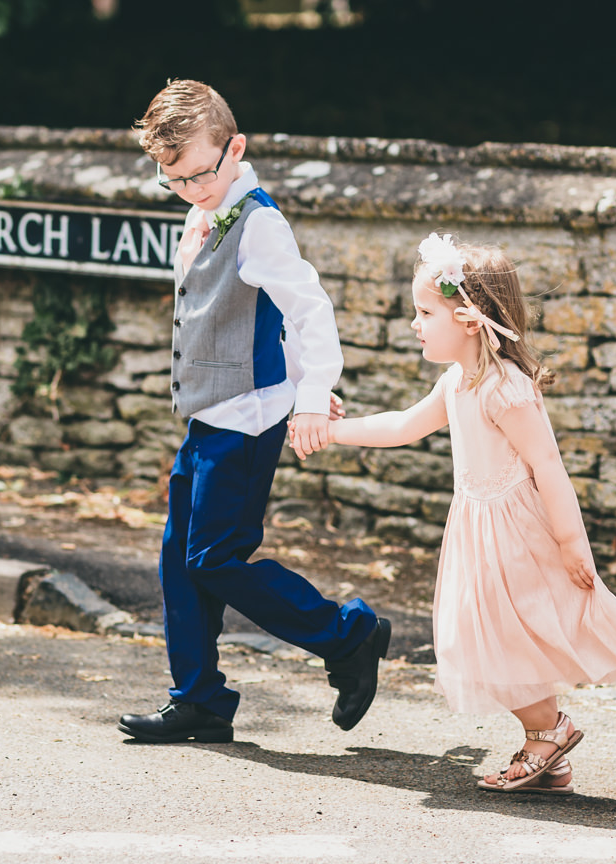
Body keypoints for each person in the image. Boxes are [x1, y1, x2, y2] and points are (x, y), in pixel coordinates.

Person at [318, 232, 616, 793]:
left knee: (502, 640)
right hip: (475, 527)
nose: (415, 323)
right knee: (482, 638)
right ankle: (548, 751)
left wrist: (573, 543)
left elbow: (548, 466)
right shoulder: (459, 380)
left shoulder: (505, 389)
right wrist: (329, 432)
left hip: (514, 533)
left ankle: (548, 733)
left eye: (425, 312)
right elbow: (403, 426)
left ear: (470, 318)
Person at [118, 79, 390, 745]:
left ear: (235, 147)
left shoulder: (259, 222)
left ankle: (347, 635)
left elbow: (307, 309)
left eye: (199, 176)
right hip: (210, 416)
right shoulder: (204, 206)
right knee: (179, 558)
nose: (189, 190)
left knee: (215, 556)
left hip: (250, 418)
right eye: (172, 181)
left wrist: (311, 393)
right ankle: (200, 700)